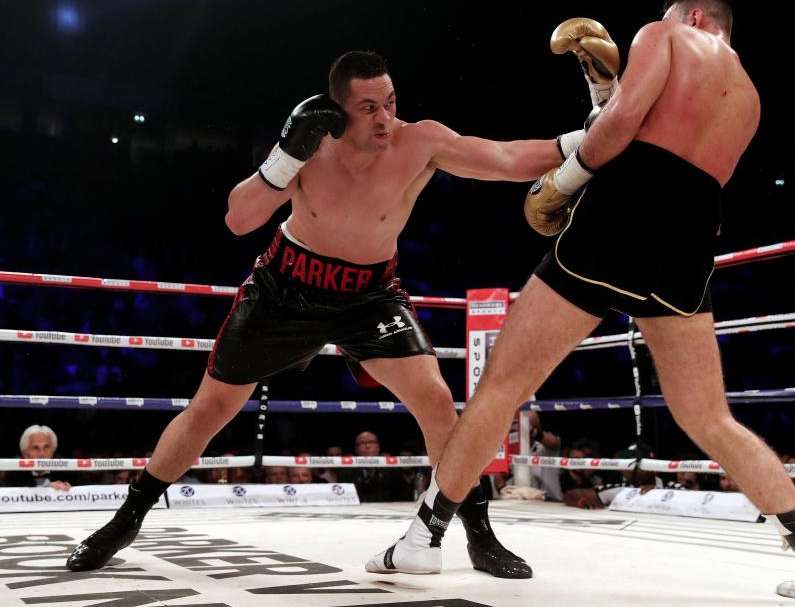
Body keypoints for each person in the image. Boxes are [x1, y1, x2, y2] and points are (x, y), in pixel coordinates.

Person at [368, 0, 795, 605]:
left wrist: (564, 181)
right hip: (691, 237)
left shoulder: (667, 35)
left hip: (626, 215)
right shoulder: (750, 99)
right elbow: (664, 145)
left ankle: (423, 538)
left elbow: (624, 130)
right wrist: (606, 105)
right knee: (708, 415)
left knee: (503, 384)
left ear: (694, 16)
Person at [67, 50, 582, 579]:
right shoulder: (307, 150)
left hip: (369, 294)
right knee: (210, 409)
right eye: (368, 107)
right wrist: (285, 155)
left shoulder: (419, 141)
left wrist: (586, 139)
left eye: (390, 102)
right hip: (285, 289)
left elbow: (504, 158)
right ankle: (125, 520)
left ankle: (478, 534)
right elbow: (239, 219)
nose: (384, 118)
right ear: (338, 109)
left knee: (434, 400)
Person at [7, 425, 85, 490]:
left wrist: (71, 490)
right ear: (25, 454)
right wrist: (44, 489)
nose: (42, 454)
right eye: (35, 448)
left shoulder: (67, 468)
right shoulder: (14, 471)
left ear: (53, 451)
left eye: (46, 447)